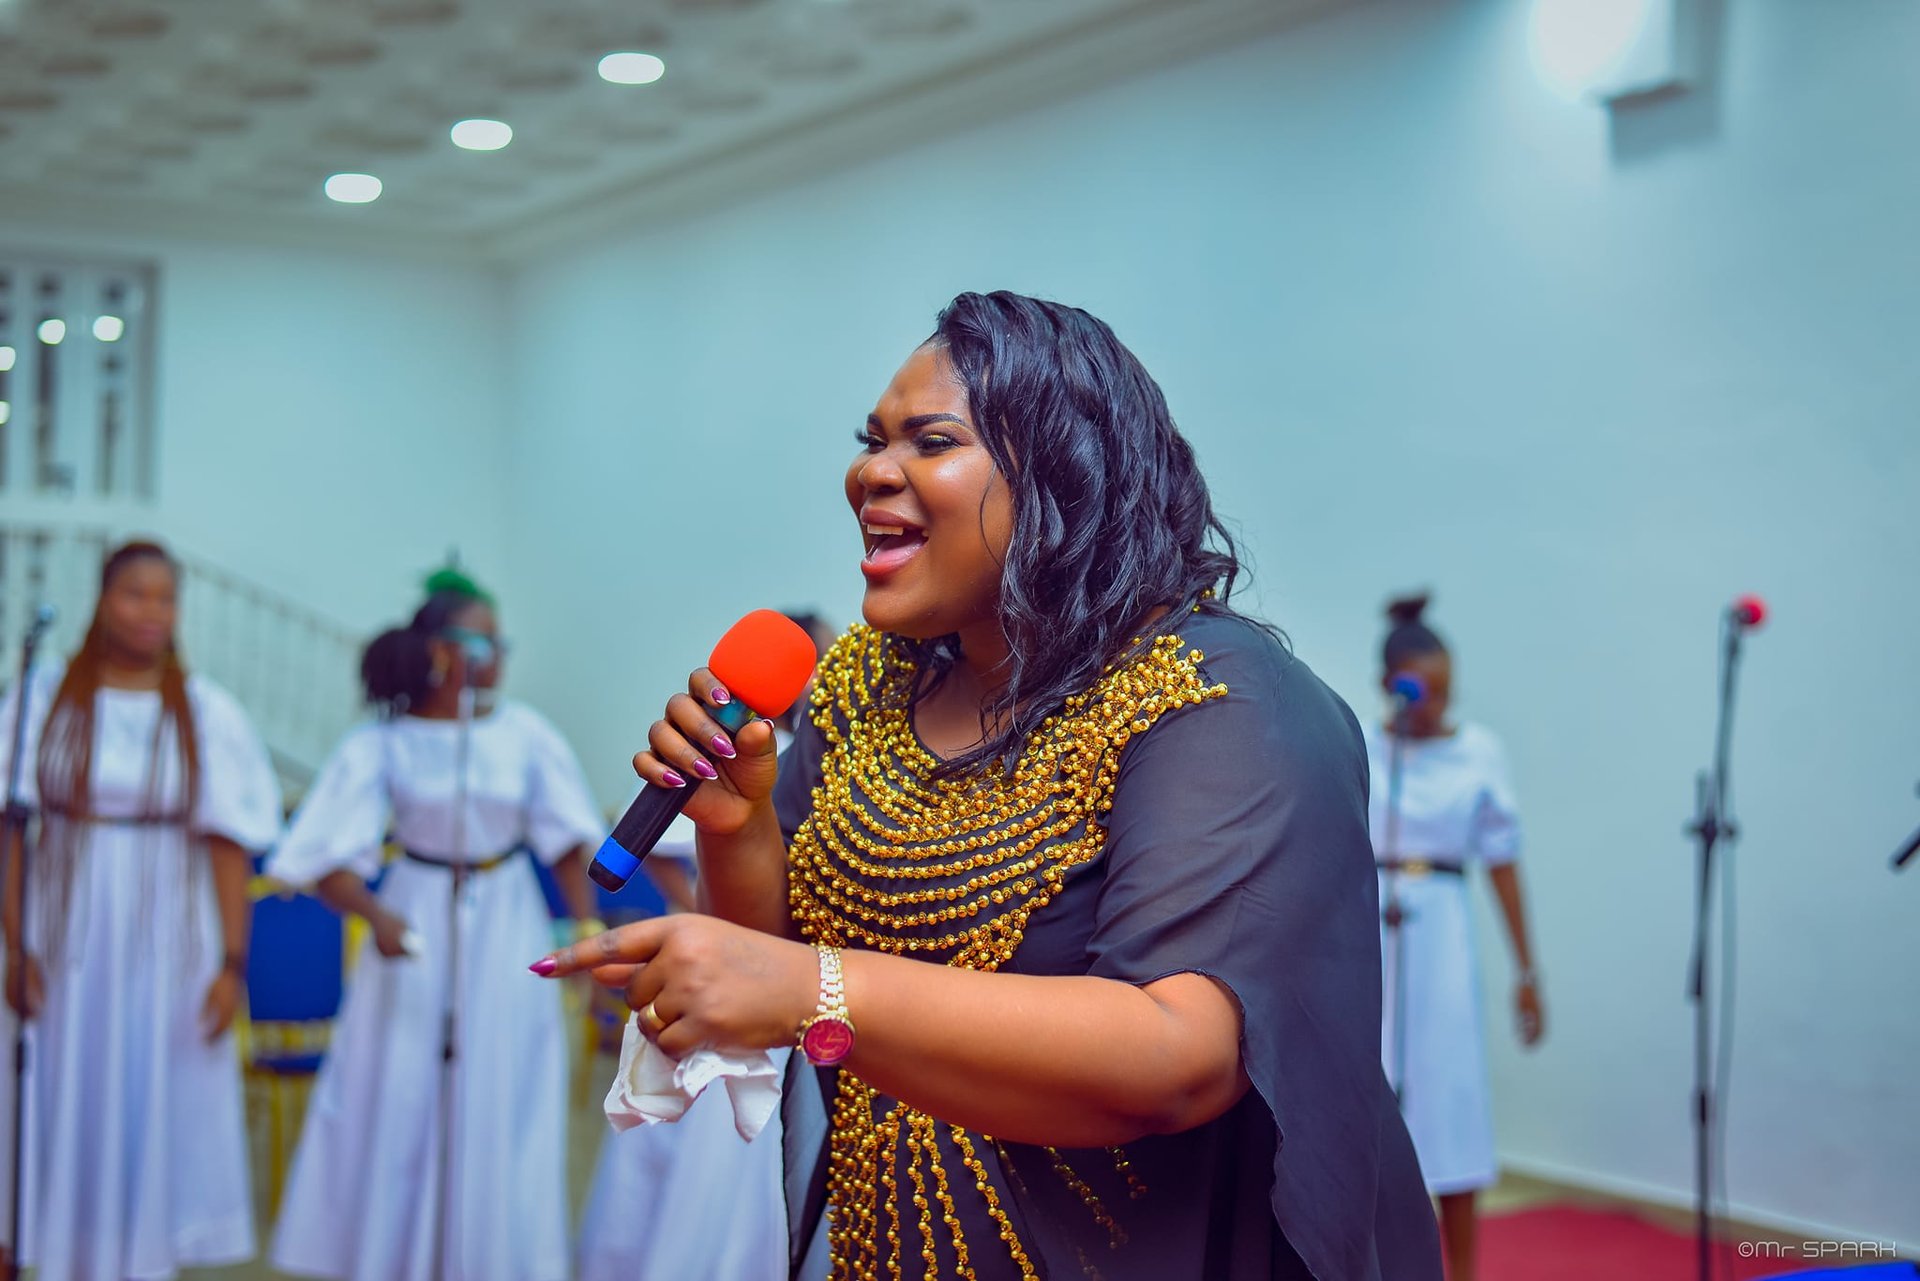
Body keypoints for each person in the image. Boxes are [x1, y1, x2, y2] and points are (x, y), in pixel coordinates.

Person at [538, 292, 1441, 1280]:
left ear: (1064, 478)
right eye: (871, 441)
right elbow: (773, 961)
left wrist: (816, 990)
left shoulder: (1216, 701)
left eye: (929, 442)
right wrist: (735, 824)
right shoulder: (869, 686)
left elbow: (1179, 1055)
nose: (871, 472)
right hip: (894, 1240)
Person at [266, 568, 604, 1281]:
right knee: (403, 1091)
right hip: (414, 923)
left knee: (504, 1089)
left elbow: (571, 842)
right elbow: (321, 856)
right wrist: (375, 913)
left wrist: (589, 936)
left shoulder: (525, 733)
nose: (500, 654)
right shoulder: (382, 742)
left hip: (507, 917)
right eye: (486, 638)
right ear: (444, 651)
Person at [0, 539, 282, 1280]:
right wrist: (14, 945)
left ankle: (144, 1255)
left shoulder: (204, 709)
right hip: (65, 928)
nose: (153, 611)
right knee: (63, 1087)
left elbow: (229, 847)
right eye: (136, 594)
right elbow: (12, 831)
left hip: (169, 934)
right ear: (101, 599)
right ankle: (56, 1249)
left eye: (166, 597)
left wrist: (230, 965)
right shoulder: (46, 693)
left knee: (158, 1090)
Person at [575, 611, 841, 1281]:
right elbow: (756, 919)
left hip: (828, 1024)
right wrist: (729, 834)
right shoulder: (761, 756)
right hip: (745, 983)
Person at [1365, 592, 1544, 1281]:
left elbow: (1503, 862)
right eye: (1421, 688)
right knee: (1372, 1087)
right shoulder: (1368, 747)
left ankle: (1460, 1271)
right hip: (1372, 926)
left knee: (1450, 1094)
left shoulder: (1480, 752)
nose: (1435, 702)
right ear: (1391, 683)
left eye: (1446, 688)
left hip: (1441, 931)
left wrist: (1529, 972)